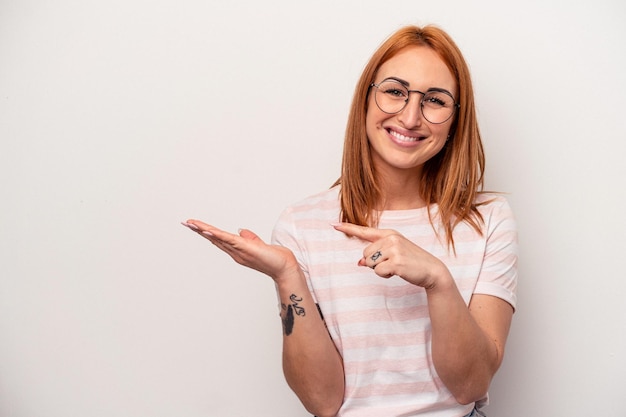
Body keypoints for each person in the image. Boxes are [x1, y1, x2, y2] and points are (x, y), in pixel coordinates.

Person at [182, 24, 517, 417]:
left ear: (456, 119)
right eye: (395, 91)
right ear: (366, 99)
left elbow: (471, 385)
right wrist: (287, 275)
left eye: (435, 100)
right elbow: (323, 402)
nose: (410, 117)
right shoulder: (301, 224)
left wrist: (437, 279)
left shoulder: (486, 219)